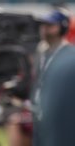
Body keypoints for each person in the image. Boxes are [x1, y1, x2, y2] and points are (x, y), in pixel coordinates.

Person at [31, 9, 75, 146]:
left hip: (60, 116)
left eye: (50, 26)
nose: (44, 29)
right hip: (40, 114)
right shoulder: (41, 52)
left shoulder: (69, 55)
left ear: (62, 27)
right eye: (43, 25)